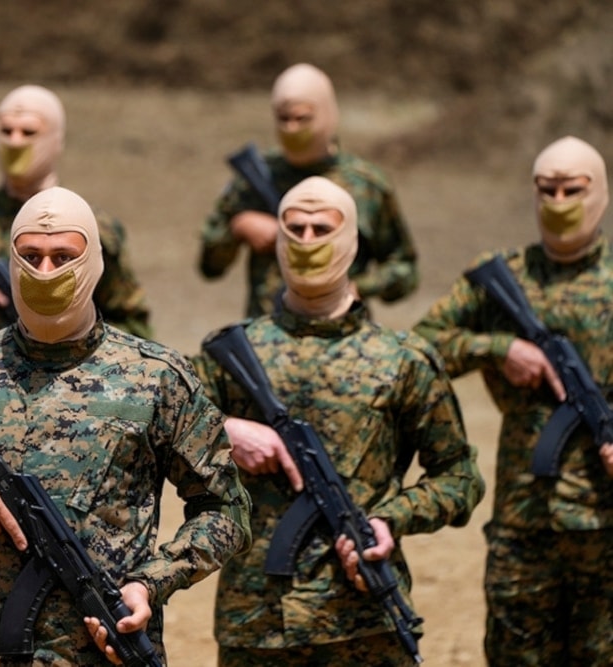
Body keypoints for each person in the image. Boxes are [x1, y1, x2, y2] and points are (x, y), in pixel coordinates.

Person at [0, 185, 252, 666]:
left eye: (62, 256)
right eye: (29, 255)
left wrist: (150, 583)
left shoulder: (155, 377)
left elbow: (227, 510)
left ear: (93, 261)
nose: (44, 272)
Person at [190, 176, 484, 666]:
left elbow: (460, 476)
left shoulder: (402, 360)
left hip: (363, 622)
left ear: (351, 243)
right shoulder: (232, 353)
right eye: (295, 228)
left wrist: (392, 520)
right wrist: (221, 432)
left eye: (322, 228)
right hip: (257, 622)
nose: (307, 240)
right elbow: (156, 426)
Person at [413, 135, 613, 666]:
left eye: (573, 189)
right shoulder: (506, 276)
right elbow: (421, 346)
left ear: (602, 195)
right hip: (524, 517)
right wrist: (498, 349)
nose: (559, 202)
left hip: (604, 523)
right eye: (547, 190)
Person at [0, 83, 153, 338]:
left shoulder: (89, 227)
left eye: (28, 132)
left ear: (56, 140)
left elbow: (131, 323)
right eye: (6, 130)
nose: (15, 142)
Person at [198, 62, 418, 319]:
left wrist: (356, 287)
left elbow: (404, 270)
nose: (292, 128)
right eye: (284, 118)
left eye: (302, 118)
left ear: (325, 113)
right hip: (267, 336)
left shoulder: (365, 185)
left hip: (344, 336)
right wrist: (238, 228)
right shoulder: (253, 178)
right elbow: (209, 267)